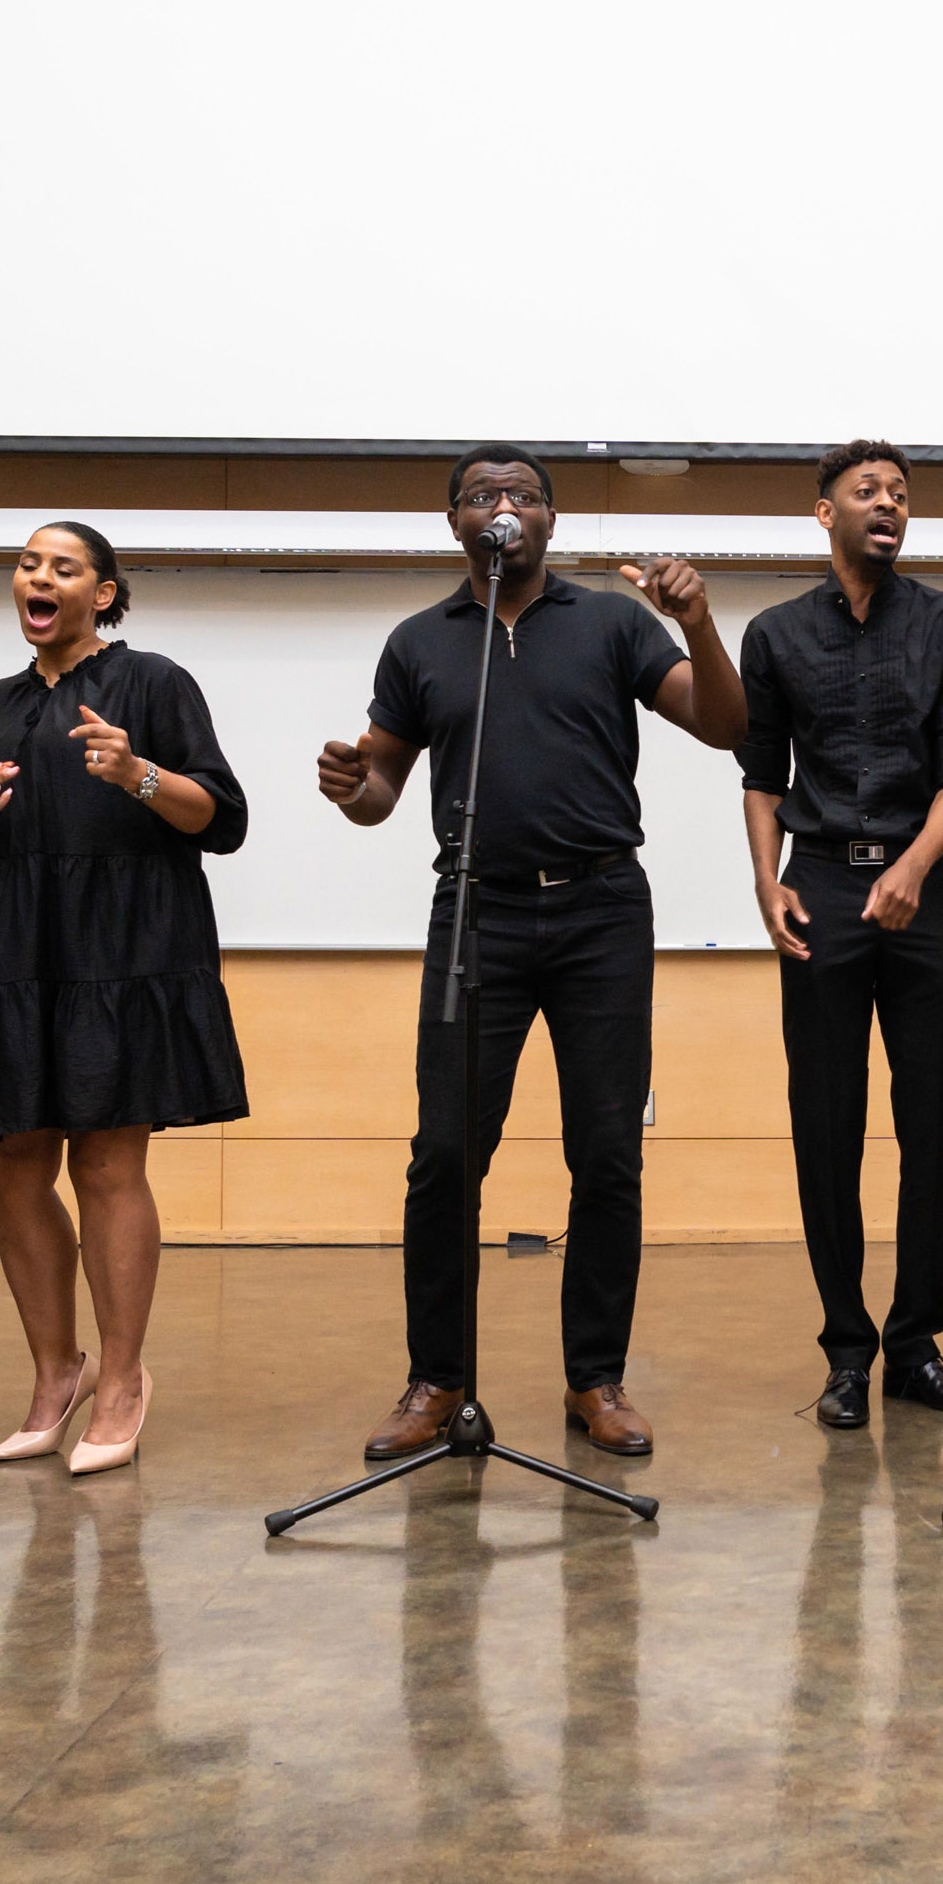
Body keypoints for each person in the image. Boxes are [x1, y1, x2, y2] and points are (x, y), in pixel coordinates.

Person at [318, 443, 747, 1459]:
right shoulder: (422, 641)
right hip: (476, 914)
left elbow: (727, 727)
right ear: (456, 523)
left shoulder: (609, 621)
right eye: (480, 495)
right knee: (445, 1155)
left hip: (602, 910)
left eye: (520, 493)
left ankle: (595, 1378)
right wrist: (353, 788)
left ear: (550, 519)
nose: (500, 505)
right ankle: (438, 1378)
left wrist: (696, 620)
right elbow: (381, 792)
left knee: (606, 1153)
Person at [0, 522, 250, 1475]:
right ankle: (55, 1371)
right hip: (13, 947)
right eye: (27, 564)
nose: (38, 576)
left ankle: (124, 1380)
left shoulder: (155, 683)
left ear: (103, 594)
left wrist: (139, 774)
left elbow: (222, 819)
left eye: (62, 566)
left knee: (106, 1160)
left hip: (128, 942)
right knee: (11, 1161)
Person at [738, 440, 943, 1428]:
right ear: (824, 513)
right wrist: (766, 883)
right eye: (867, 491)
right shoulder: (774, 632)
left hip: (922, 890)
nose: (886, 504)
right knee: (828, 1126)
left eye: (899, 493)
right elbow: (762, 773)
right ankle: (847, 1350)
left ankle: (914, 1346)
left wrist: (913, 868)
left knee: (929, 1125)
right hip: (818, 894)